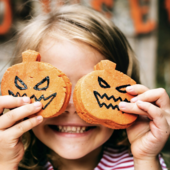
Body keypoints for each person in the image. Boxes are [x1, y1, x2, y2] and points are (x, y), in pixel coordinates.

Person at [0, 4, 169, 170]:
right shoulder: (11, 160)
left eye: (90, 89)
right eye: (51, 88)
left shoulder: (140, 162)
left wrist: (146, 158)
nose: (72, 108)